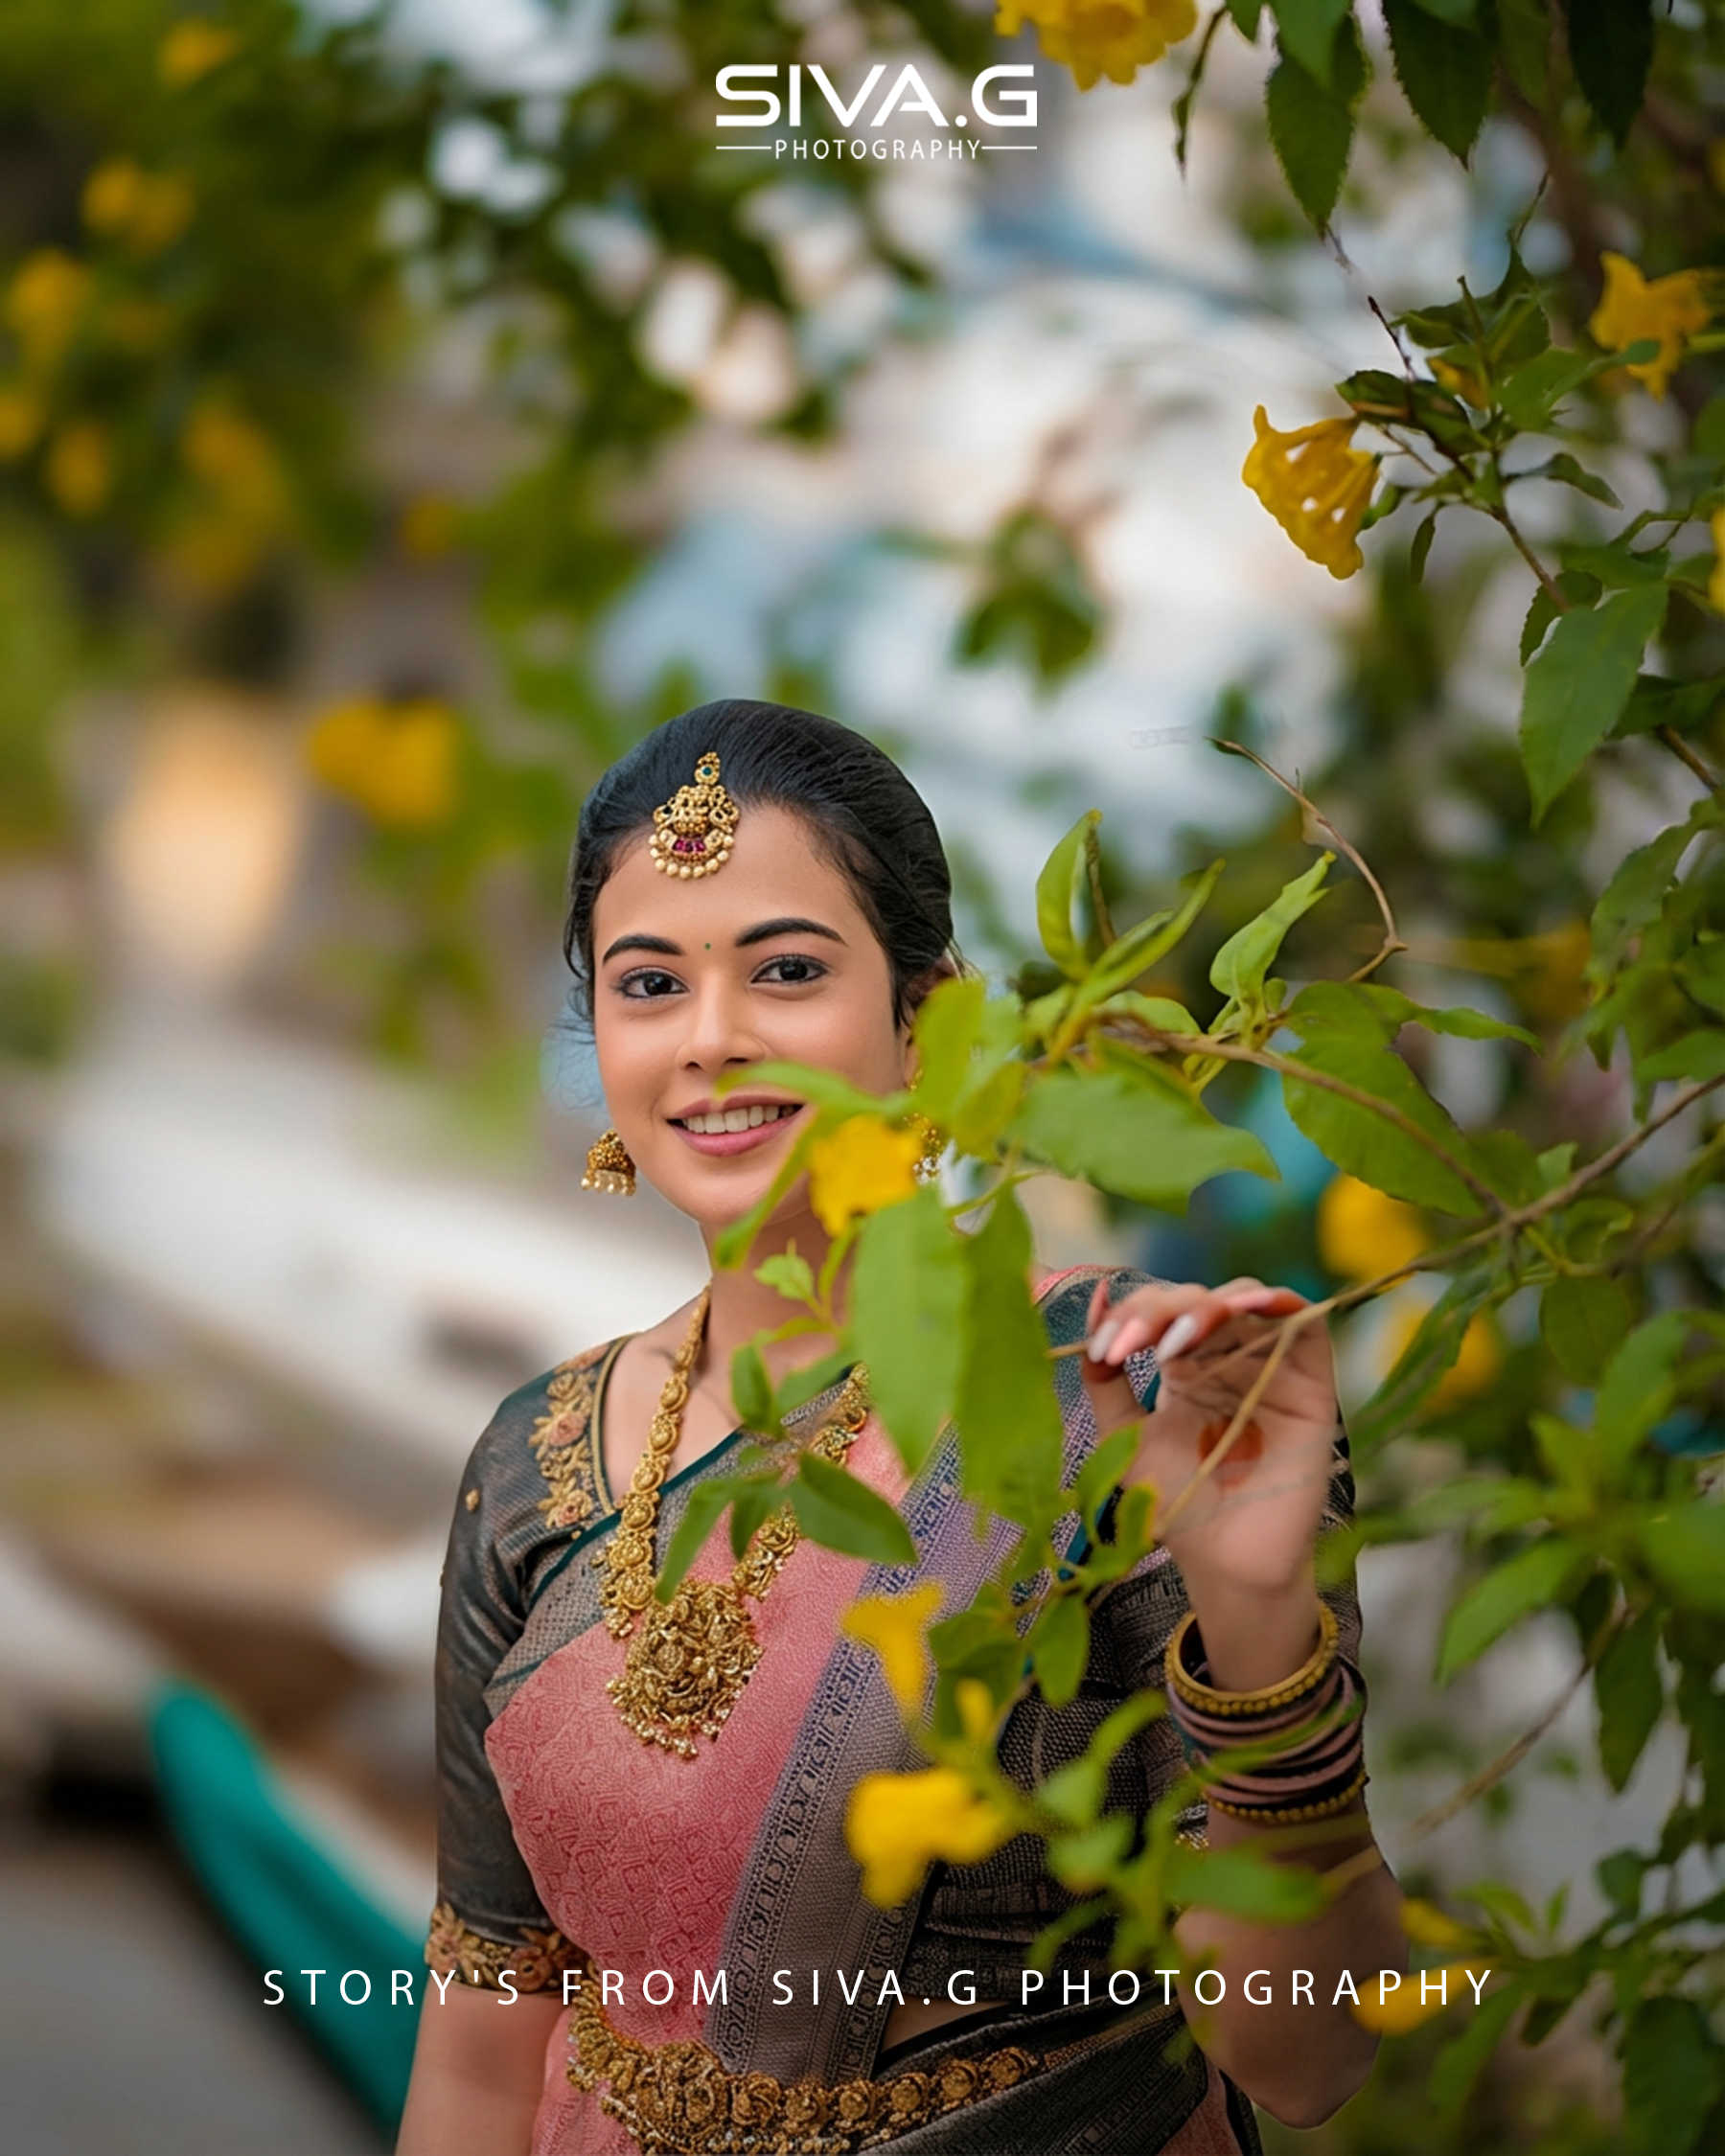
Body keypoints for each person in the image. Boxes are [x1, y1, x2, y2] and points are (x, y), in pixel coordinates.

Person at [395, 700, 1406, 2156]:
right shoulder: (528, 1465)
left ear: (929, 1018)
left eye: (787, 970)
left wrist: (1258, 1626)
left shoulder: (1128, 1399)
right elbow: (486, 2051)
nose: (715, 1038)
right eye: (649, 982)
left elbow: (1308, 2059)